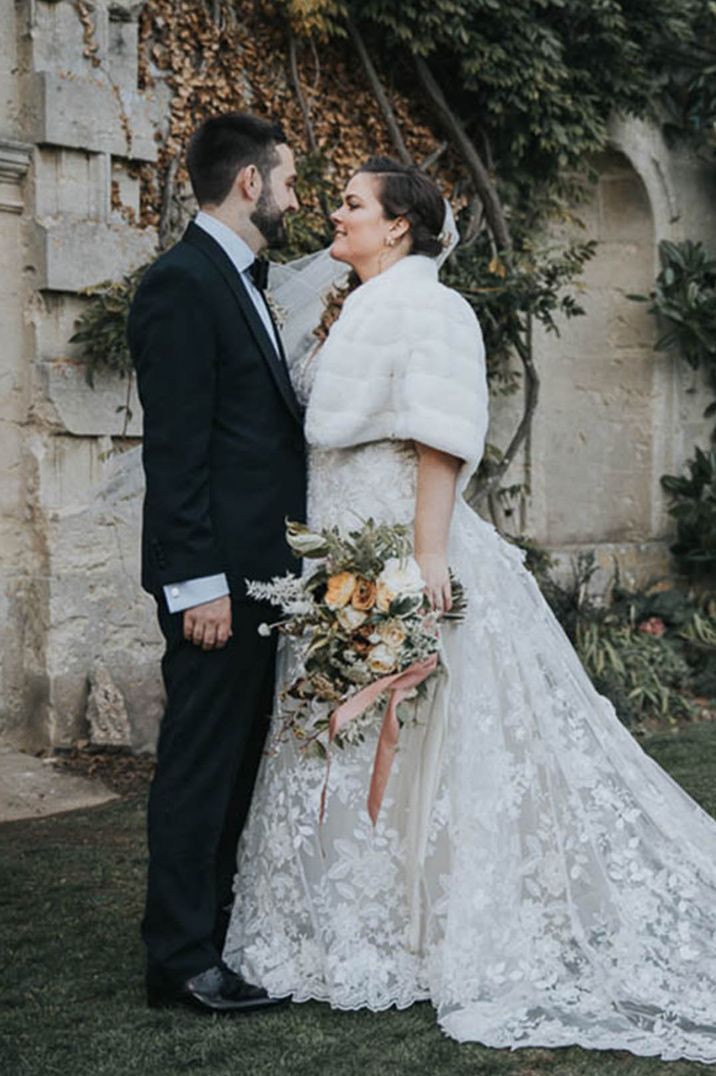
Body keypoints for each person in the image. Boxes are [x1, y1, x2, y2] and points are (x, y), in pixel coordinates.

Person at [223, 157, 716, 1062]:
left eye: (352, 205)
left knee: (421, 740)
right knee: (359, 735)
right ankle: (360, 933)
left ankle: (422, 931)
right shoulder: (360, 306)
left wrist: (427, 557)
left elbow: (441, 440)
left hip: (401, 551)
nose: (335, 215)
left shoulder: (432, 307)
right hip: (343, 551)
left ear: (399, 226)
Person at [127, 112, 305, 1014]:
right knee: (200, 765)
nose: (296, 197)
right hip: (218, 588)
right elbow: (176, 452)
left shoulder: (243, 282)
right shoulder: (183, 285)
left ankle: (215, 935)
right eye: (288, 180)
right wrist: (200, 586)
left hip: (260, 578)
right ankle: (181, 962)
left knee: (234, 765)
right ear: (249, 184)